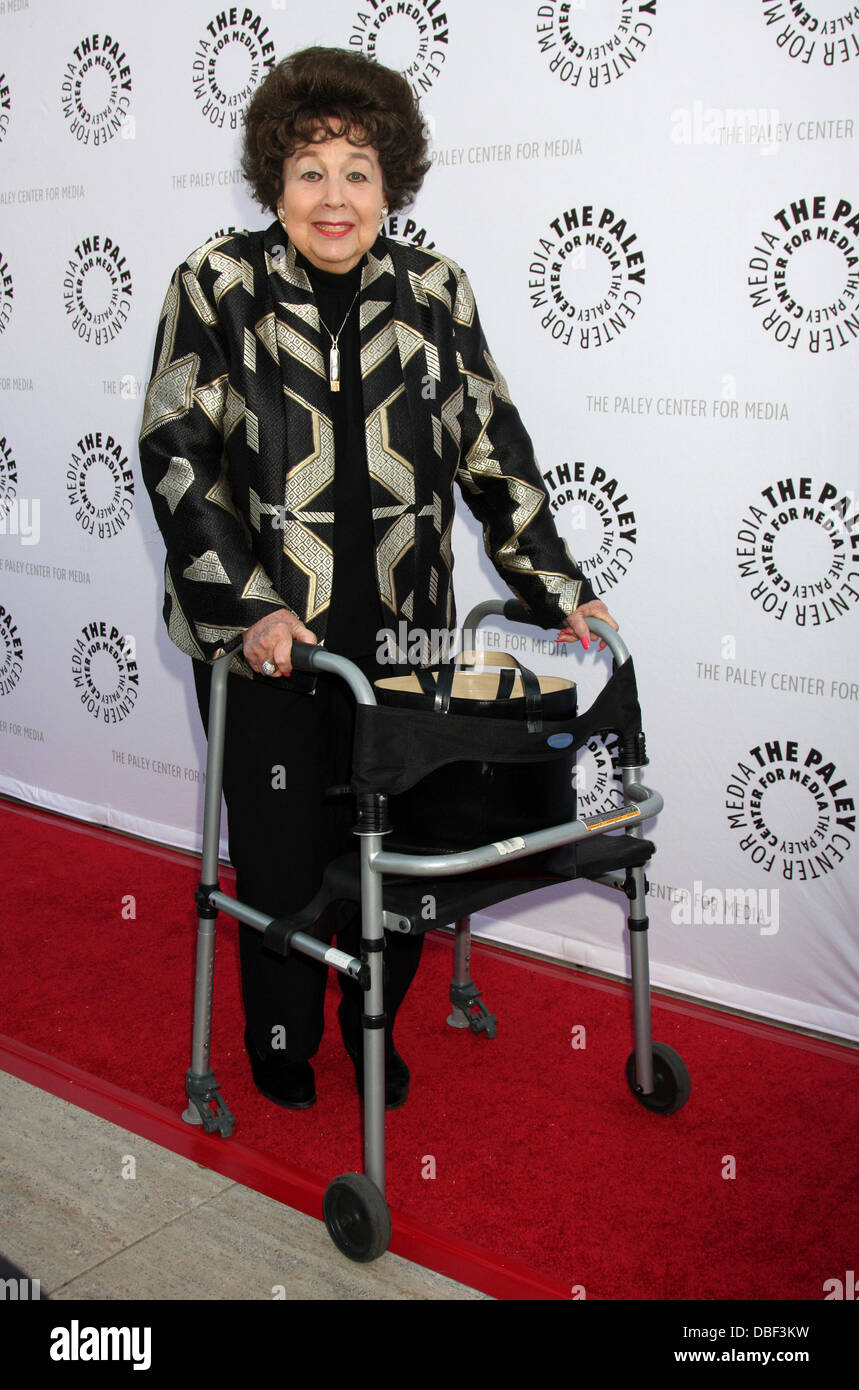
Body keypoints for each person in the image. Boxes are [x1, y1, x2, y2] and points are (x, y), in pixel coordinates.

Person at [139, 46, 617, 1112]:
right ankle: (278, 1033)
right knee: (281, 856)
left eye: (358, 169)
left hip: (405, 641)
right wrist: (247, 606)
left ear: (392, 183)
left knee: (400, 858)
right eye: (310, 168)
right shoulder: (217, 285)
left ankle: (370, 1029)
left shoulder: (434, 293)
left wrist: (556, 588)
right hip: (270, 643)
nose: (335, 195)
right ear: (273, 182)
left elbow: (494, 446)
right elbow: (177, 453)